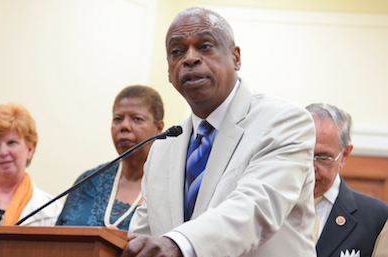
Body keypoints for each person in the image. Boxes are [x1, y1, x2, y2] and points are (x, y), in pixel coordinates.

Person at [121, 7, 317, 257]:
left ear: (236, 57)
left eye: (205, 46)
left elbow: (255, 208)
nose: (190, 58)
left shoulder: (284, 121)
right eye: (177, 51)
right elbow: (145, 234)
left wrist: (179, 244)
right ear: (169, 73)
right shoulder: (162, 145)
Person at [56, 85, 164, 230]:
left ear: (159, 128)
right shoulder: (87, 182)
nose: (124, 126)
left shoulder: (168, 188)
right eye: (118, 119)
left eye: (136, 119)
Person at [306, 103, 388, 257]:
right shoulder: (274, 204)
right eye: (304, 154)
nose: (311, 167)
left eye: (323, 158)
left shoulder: (378, 217)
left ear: (344, 155)